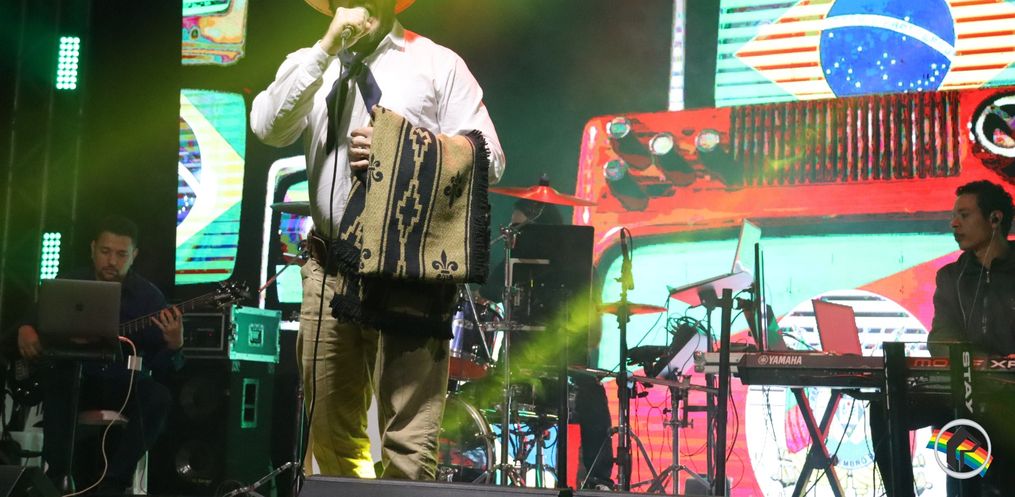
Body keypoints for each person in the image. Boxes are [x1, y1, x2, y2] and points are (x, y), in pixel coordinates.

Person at [250, 0, 505, 480]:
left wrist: (403, 148)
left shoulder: (436, 63)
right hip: (329, 270)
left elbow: (490, 158)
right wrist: (325, 49)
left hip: (409, 273)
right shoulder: (313, 62)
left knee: (409, 443)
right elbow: (268, 127)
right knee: (330, 433)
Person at [16, 216, 183, 494]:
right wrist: (25, 328)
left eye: (121, 254)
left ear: (134, 256)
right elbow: (35, 315)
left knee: (158, 397)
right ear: (93, 249)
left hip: (121, 383)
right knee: (60, 386)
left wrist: (174, 346)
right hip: (74, 378)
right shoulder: (69, 282)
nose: (112, 261)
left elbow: (162, 365)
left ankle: (114, 483)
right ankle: (57, 479)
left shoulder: (149, 297)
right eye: (105, 251)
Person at [872, 180, 1015, 497]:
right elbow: (941, 338)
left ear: (995, 218)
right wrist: (978, 365)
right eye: (954, 216)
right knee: (885, 404)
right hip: (966, 389)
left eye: (964, 215)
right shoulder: (951, 276)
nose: (954, 223)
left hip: (1008, 395)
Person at [480, 197, 615, 490]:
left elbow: (594, 336)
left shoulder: (580, 271)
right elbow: (486, 295)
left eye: (519, 229)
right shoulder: (512, 264)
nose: (512, 236)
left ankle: (599, 481)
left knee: (593, 397)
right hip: (517, 368)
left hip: (565, 369)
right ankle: (476, 473)